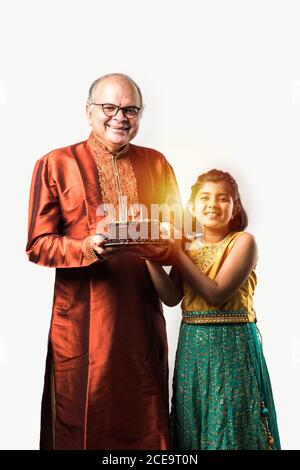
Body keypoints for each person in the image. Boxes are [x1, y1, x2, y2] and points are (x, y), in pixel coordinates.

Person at [26, 73, 181, 450]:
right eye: (109, 108)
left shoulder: (156, 163)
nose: (120, 117)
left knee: (145, 414)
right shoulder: (56, 163)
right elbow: (38, 245)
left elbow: (178, 238)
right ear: (89, 111)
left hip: (140, 319)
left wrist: (149, 240)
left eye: (130, 109)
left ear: (140, 115)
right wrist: (89, 247)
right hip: (81, 320)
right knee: (80, 417)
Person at [145, 169, 281, 450]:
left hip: (232, 346)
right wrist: (149, 256)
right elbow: (171, 297)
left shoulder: (243, 242)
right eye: (204, 198)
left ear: (235, 207)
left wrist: (176, 253)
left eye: (222, 199)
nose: (212, 205)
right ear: (192, 206)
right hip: (192, 347)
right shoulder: (187, 246)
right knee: (193, 422)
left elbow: (216, 293)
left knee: (231, 423)